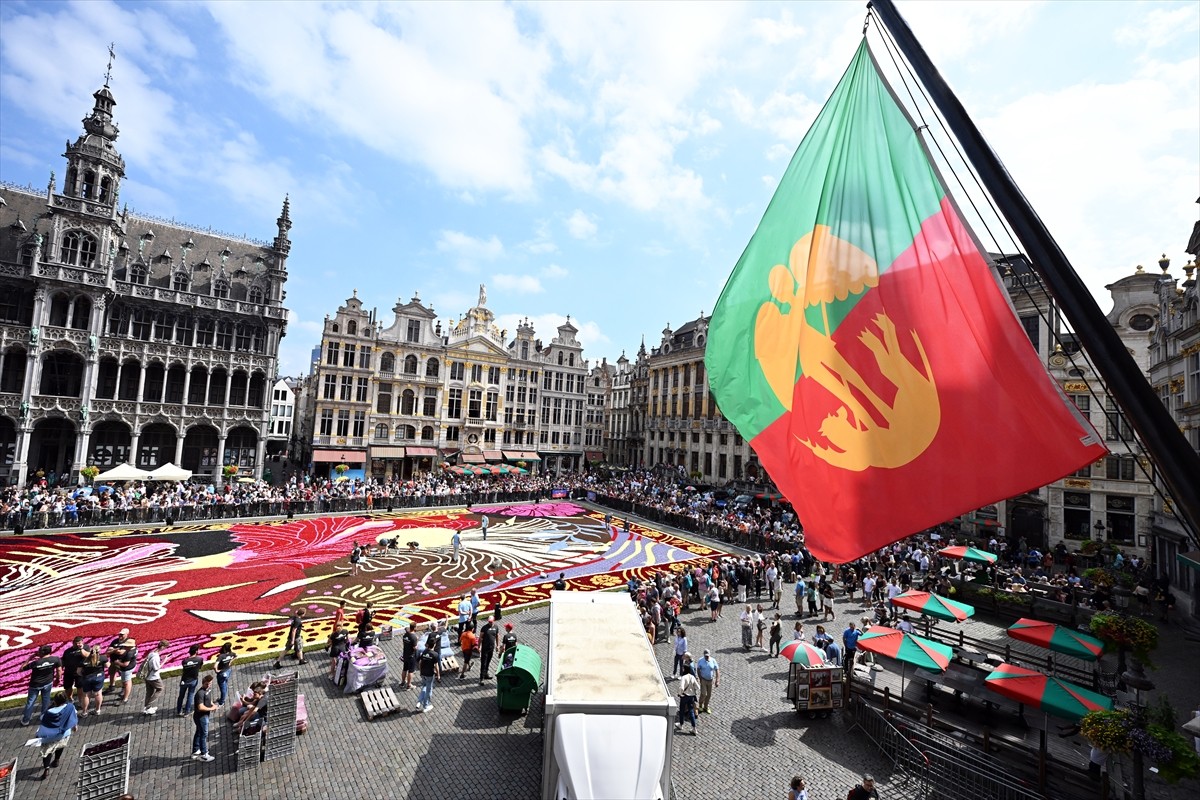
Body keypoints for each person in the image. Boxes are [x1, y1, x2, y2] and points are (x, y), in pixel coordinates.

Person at [35, 691, 77, 781]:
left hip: (50, 736)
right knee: (60, 746)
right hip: (64, 733)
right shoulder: (70, 707)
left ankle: (46, 769)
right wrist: (74, 726)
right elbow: (73, 716)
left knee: (47, 752)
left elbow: (42, 719)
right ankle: (57, 760)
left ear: (55, 701)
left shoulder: (49, 712)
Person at [20, 645, 62, 726]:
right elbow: (59, 670)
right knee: (46, 700)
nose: (38, 652)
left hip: (35, 685)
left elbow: (22, 668)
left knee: (31, 702)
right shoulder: (56, 659)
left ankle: (26, 720)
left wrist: (29, 658)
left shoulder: (36, 663)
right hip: (48, 682)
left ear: (42, 652)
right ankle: (43, 716)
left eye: (39, 651)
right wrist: (58, 679)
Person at [191, 674, 217, 762]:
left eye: (210, 683)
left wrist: (213, 704)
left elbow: (208, 699)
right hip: (201, 717)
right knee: (203, 735)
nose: (209, 685)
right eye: (207, 684)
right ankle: (204, 754)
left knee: (199, 732)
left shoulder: (208, 690)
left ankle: (195, 750)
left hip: (204, 716)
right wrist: (211, 708)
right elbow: (200, 707)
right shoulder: (200, 693)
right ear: (203, 683)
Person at [78, 645, 108, 716]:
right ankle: (97, 710)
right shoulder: (103, 658)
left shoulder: (84, 660)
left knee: (86, 695)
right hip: (98, 678)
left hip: (87, 678)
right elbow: (108, 665)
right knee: (98, 693)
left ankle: (84, 712)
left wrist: (83, 675)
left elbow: (78, 672)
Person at [176, 644, 204, 716]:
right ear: (196, 651)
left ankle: (179, 711)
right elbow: (200, 666)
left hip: (184, 680)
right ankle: (187, 711)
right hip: (193, 680)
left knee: (181, 696)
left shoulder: (184, 661)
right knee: (190, 695)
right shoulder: (199, 659)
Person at [141, 640, 167, 716]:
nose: (165, 649)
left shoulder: (152, 653)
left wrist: (161, 659)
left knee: (149, 692)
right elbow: (156, 668)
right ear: (162, 647)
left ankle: (147, 708)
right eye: (165, 647)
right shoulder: (155, 657)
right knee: (160, 688)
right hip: (153, 677)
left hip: (147, 677)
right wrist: (164, 661)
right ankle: (147, 705)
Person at [415, 639, 440, 712]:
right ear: (434, 645)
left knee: (424, 686)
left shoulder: (424, 652)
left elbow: (420, 662)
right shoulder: (435, 654)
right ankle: (425, 705)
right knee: (428, 690)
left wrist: (420, 671)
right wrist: (438, 675)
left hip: (423, 673)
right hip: (430, 674)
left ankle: (419, 701)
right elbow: (436, 666)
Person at [60, 637, 86, 705]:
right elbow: (63, 660)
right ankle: (70, 699)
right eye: (77, 643)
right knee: (68, 687)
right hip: (68, 672)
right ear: (73, 643)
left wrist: (81, 649)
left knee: (80, 687)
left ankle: (81, 701)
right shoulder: (67, 651)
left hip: (79, 672)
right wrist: (61, 669)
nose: (78, 644)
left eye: (80, 642)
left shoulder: (85, 648)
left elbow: (87, 655)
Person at [675, 664, 699, 735]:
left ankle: (681, 724)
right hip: (691, 696)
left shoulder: (684, 677)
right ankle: (694, 728)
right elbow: (698, 687)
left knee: (682, 710)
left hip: (684, 696)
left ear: (685, 669)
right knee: (691, 711)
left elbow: (682, 688)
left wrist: (680, 693)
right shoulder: (692, 677)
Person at [695, 649, 720, 714]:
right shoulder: (700, 661)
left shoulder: (713, 660)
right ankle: (700, 704)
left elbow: (717, 670)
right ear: (704, 655)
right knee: (703, 694)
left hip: (710, 680)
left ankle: (706, 706)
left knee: (709, 695)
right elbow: (698, 669)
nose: (707, 657)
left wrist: (717, 680)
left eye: (708, 656)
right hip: (703, 679)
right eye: (705, 656)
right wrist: (700, 678)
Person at [478, 616, 499, 683]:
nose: (490, 623)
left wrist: (497, 645)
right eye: (489, 622)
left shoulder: (496, 627)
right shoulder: (484, 628)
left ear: (494, 621)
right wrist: (479, 646)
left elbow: (497, 636)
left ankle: (486, 673)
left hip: (491, 648)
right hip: (485, 648)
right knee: (483, 663)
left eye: (491, 622)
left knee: (488, 661)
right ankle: (481, 678)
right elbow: (480, 638)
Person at [401, 622, 419, 690]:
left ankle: (403, 682)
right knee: (411, 671)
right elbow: (415, 647)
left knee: (405, 669)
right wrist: (417, 642)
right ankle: (409, 685)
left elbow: (404, 643)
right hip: (411, 656)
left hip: (405, 654)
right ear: (414, 628)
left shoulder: (405, 635)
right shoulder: (414, 637)